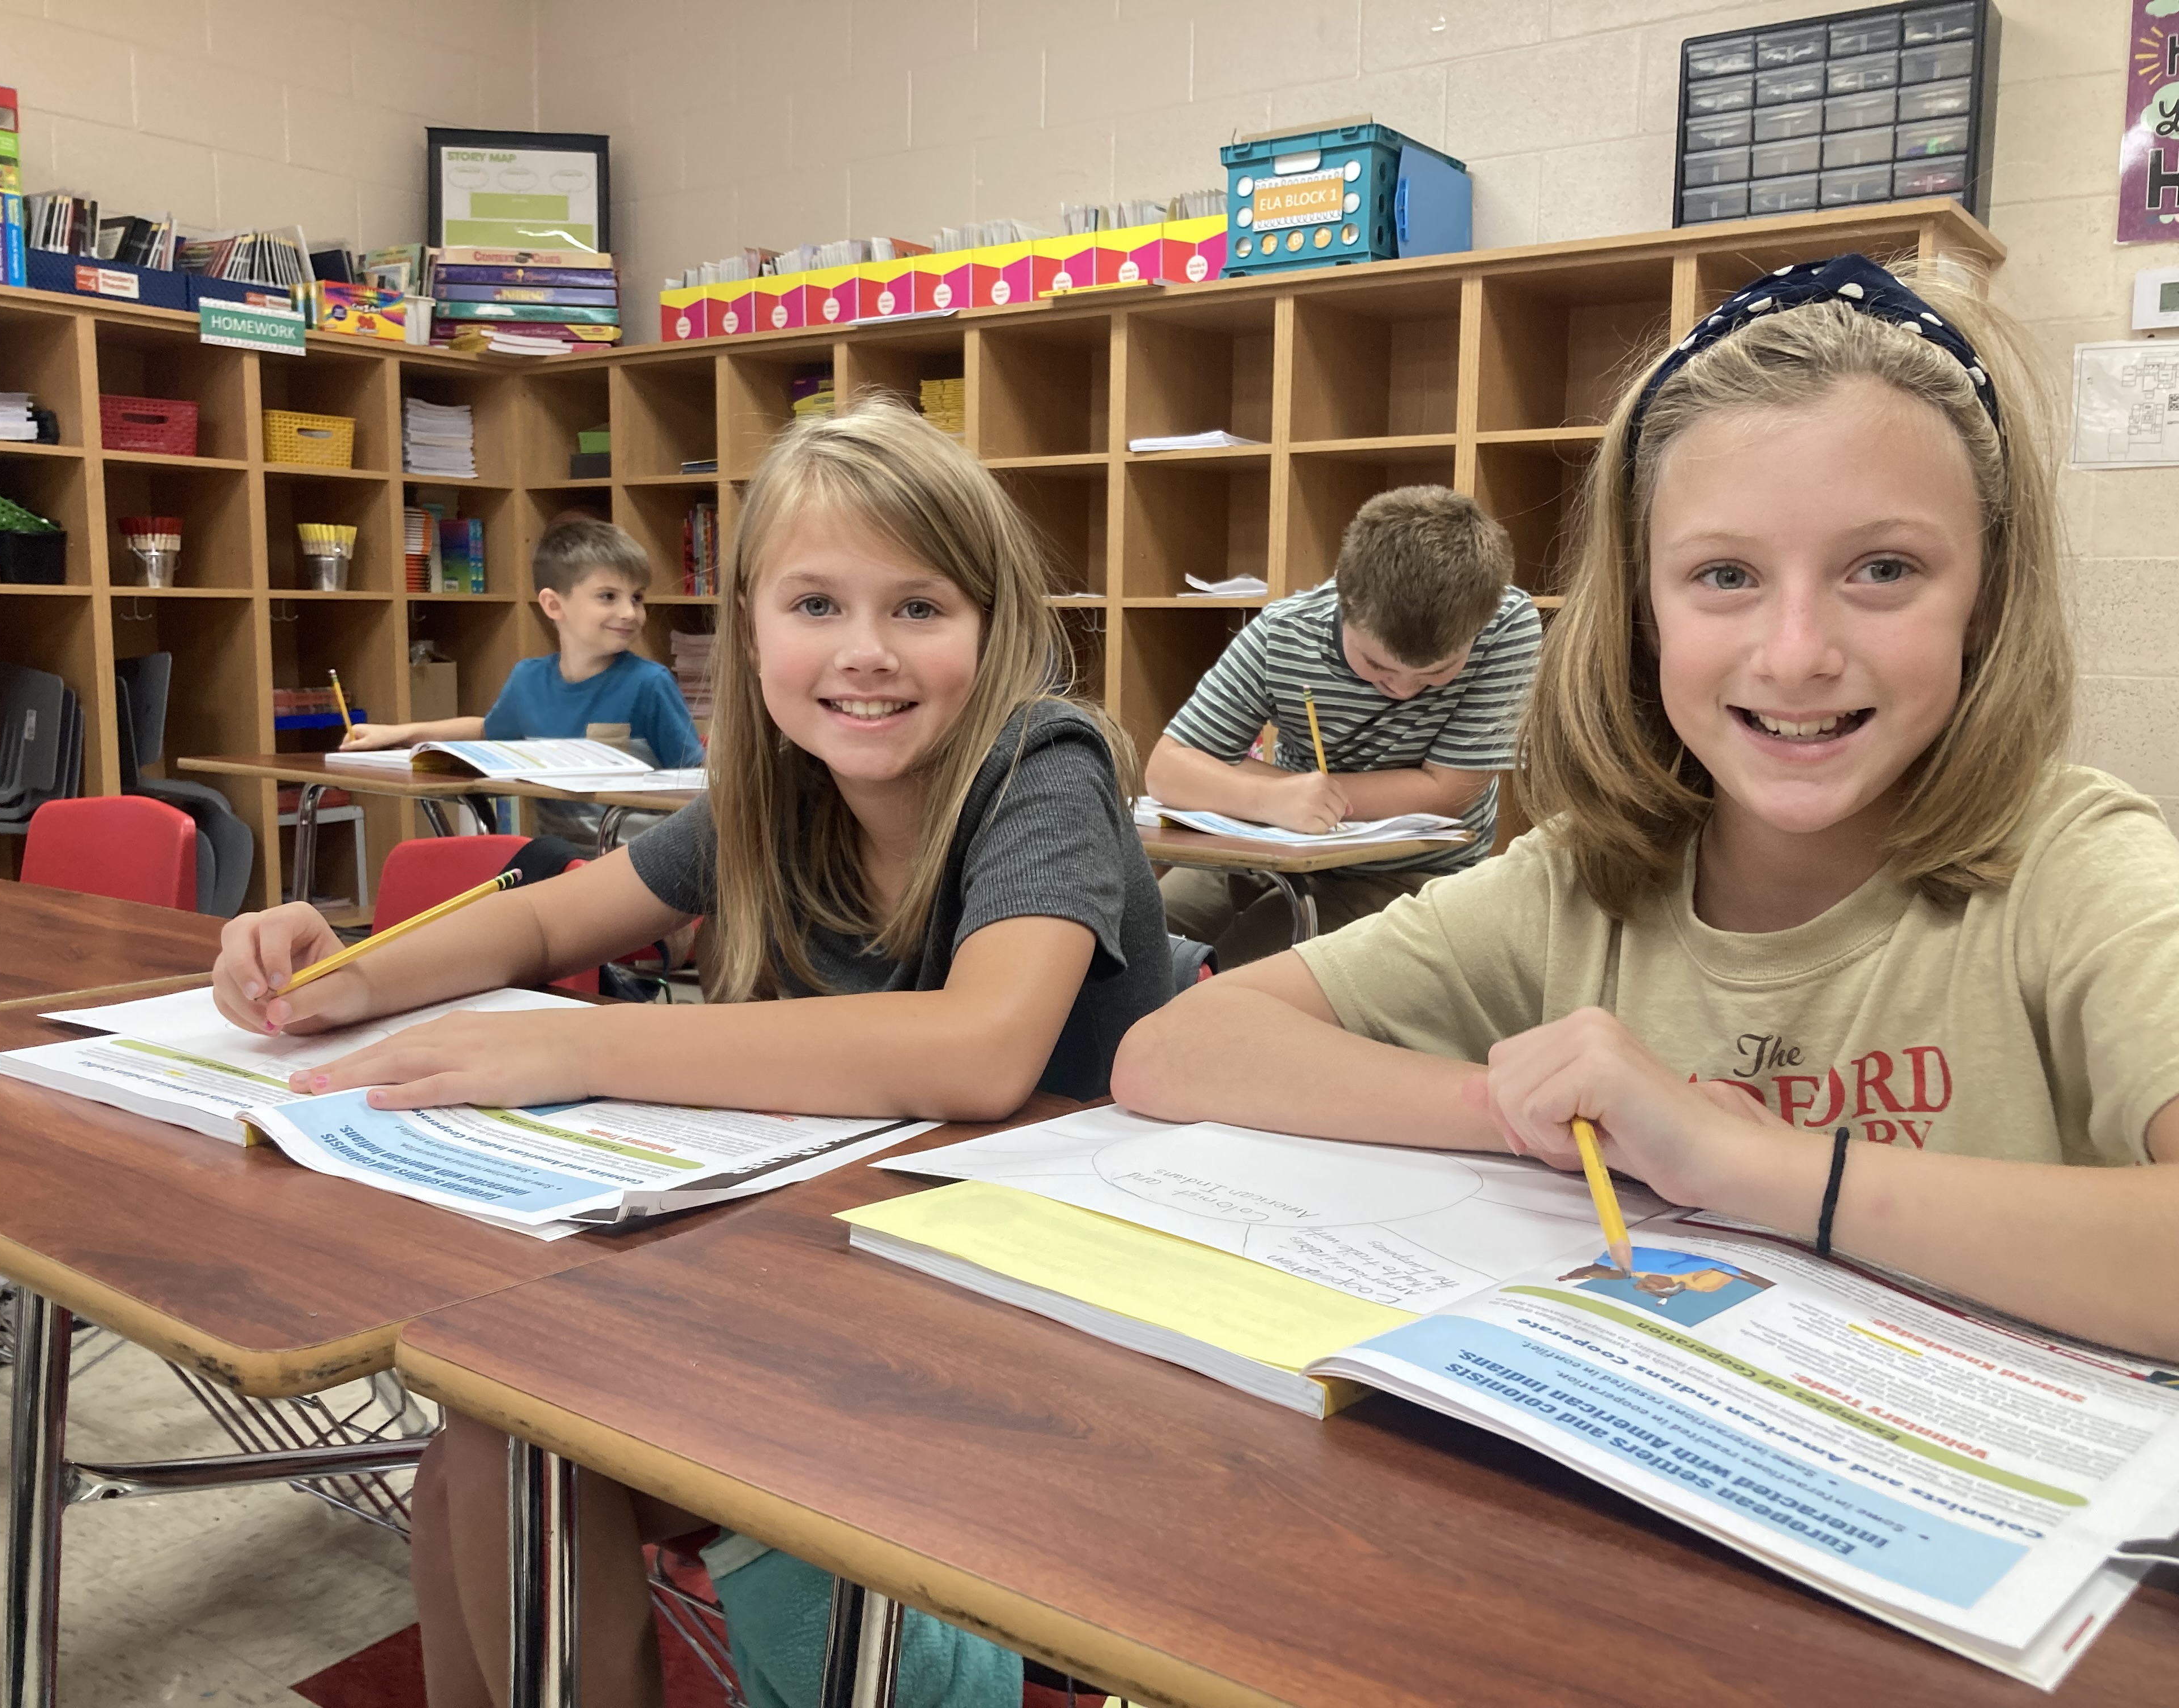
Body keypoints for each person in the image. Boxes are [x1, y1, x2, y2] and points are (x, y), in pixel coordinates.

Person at [211, 399, 1175, 1707]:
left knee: (519, 1435)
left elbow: (981, 1049)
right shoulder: (774, 791)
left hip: (1040, 1313)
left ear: (994, 628)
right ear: (750, 629)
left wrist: (591, 1045)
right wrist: (338, 976)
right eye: (816, 606)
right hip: (839, 1259)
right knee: (486, 1439)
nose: (866, 653)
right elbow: (549, 912)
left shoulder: (1039, 765)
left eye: (921, 608)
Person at [1112, 254, 2179, 1364]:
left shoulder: (2075, 867)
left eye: (1884, 569)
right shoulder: (1582, 877)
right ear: (1644, 610)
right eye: (1725, 576)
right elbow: (1176, 1052)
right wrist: (1536, 1110)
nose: (1798, 653)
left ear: (1986, 597)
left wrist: (1741, 1162)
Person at [1145, 485, 1540, 965]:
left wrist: (1260, 782)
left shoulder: (1508, 624)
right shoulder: (1285, 633)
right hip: (1271, 843)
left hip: (1407, 874)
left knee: (1228, 974)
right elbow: (1167, 770)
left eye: (1436, 673)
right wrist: (1274, 800)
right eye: (1377, 666)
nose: (1403, 689)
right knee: (1135, 948)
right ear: (1341, 596)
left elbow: (1450, 792)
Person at [342, 517, 704, 857]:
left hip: (639, 864)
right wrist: (397, 734)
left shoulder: (649, 683)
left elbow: (695, 780)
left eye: (637, 598)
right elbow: (488, 731)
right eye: (609, 597)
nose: (630, 612)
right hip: (557, 863)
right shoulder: (528, 679)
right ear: (553, 604)